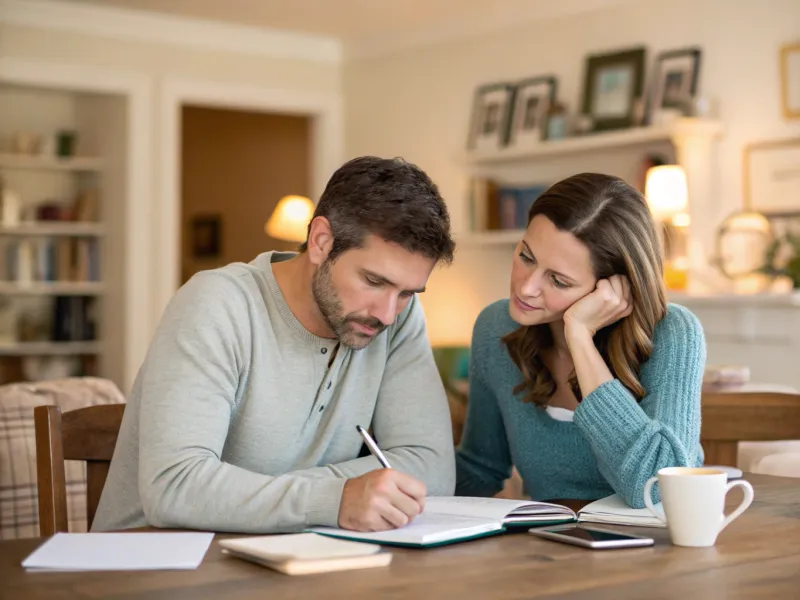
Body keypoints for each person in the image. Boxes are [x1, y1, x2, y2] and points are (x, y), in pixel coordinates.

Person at [93, 156, 457, 534]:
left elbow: (432, 469)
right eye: (374, 281)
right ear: (321, 242)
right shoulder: (217, 304)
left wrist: (286, 496)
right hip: (152, 565)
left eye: (407, 293)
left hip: (287, 558)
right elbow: (174, 486)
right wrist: (336, 497)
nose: (386, 314)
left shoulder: (397, 320)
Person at [455, 172, 706, 509]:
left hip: (652, 550)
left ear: (612, 289)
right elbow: (479, 468)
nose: (526, 287)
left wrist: (580, 338)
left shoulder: (673, 332)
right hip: (549, 546)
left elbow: (657, 489)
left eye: (558, 281)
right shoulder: (494, 326)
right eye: (526, 256)